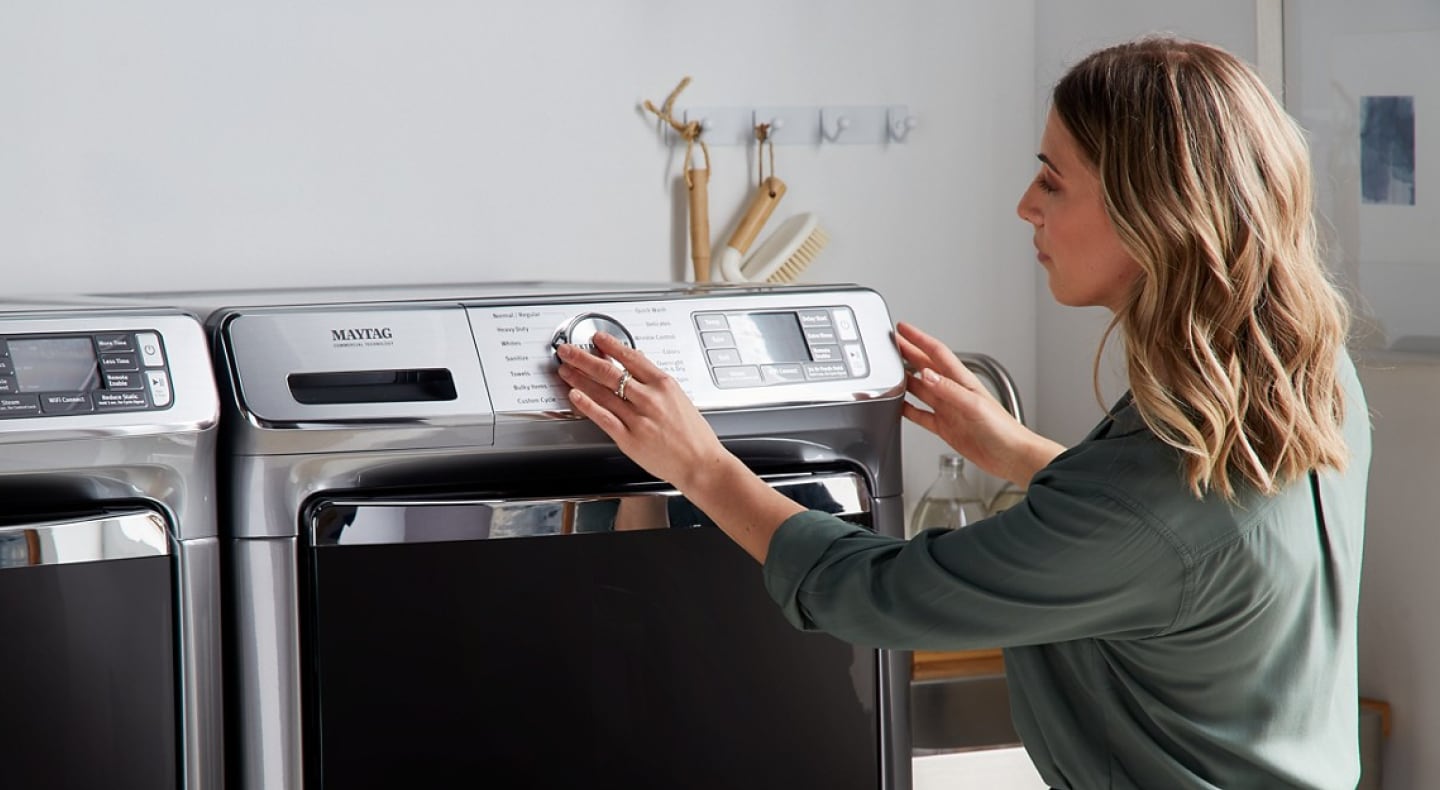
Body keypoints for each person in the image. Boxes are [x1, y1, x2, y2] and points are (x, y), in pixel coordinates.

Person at [555, 35, 1371, 790]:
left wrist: (701, 466)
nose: (1026, 204)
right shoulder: (1303, 375)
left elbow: (877, 593)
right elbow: (1193, 553)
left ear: (1152, 215)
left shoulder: (1150, 490)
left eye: (1053, 179)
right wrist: (1017, 450)